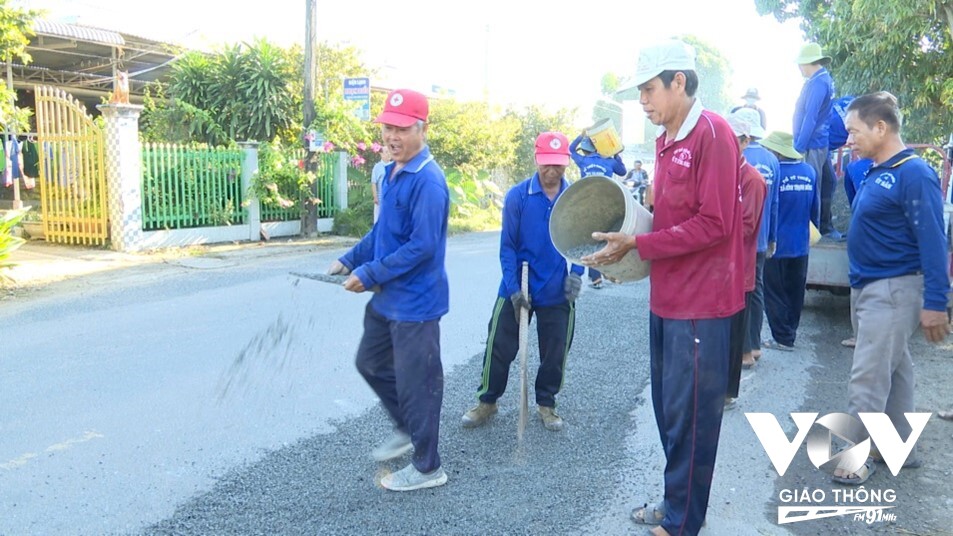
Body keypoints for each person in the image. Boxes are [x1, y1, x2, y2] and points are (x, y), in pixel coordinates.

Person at [584, 39, 744, 536]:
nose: (643, 101)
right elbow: (668, 218)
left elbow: (716, 223)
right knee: (670, 413)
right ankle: (675, 503)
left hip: (702, 304)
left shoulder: (712, 134)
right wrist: (628, 246)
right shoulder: (665, 139)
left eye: (650, 89)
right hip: (668, 298)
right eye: (639, 92)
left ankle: (682, 522)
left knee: (693, 420)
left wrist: (639, 242)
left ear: (680, 82)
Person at [326, 88, 451, 492]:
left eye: (400, 129)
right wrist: (350, 258)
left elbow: (422, 245)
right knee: (370, 362)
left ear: (422, 129)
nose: (392, 136)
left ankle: (428, 467)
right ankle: (406, 424)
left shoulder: (428, 181)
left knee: (420, 383)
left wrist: (372, 271)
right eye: (387, 128)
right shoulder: (395, 170)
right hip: (388, 299)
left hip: (416, 303)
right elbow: (383, 231)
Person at [832, 92, 950, 485]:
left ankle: (855, 459)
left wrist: (937, 302)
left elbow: (934, 241)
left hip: (894, 290)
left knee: (867, 376)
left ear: (880, 127)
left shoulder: (914, 173)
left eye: (853, 130)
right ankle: (900, 449)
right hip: (868, 287)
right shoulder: (873, 169)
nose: (848, 139)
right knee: (895, 368)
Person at [461, 131, 583, 432]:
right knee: (499, 346)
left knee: (556, 350)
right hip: (519, 283)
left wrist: (577, 275)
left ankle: (546, 404)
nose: (552, 171)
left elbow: (583, 244)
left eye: (558, 165)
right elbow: (507, 247)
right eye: (546, 164)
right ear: (536, 159)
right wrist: (514, 291)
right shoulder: (518, 196)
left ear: (566, 163)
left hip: (556, 286)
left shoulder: (574, 199)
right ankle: (487, 402)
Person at [759, 131, 819, 351]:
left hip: (776, 243)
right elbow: (815, 210)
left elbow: (767, 209)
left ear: (776, 152)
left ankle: (782, 338)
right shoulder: (810, 172)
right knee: (795, 290)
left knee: (773, 292)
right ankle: (790, 332)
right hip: (801, 243)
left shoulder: (773, 174)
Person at [725, 110, 766, 395]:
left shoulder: (751, 179)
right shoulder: (721, 173)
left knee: (736, 328)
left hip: (739, 265)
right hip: (718, 266)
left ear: (744, 142)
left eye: (733, 140)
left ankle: (729, 390)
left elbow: (747, 226)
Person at [737, 108, 780, 363]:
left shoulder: (736, 158)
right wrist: (772, 236)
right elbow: (775, 203)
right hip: (762, 237)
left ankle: (742, 352)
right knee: (756, 291)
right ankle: (755, 346)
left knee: (739, 292)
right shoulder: (772, 160)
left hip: (741, 239)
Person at [569, 131, 627, 289]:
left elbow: (570, 149)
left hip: (585, 205)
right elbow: (623, 171)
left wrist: (580, 135)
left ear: (586, 149)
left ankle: (576, 274)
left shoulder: (583, 160)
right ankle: (596, 277)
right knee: (599, 239)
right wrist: (615, 154)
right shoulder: (608, 161)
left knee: (584, 239)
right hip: (605, 206)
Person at [793, 42, 837, 237]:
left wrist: (799, 146)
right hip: (820, 141)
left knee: (812, 184)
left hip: (813, 142)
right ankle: (824, 226)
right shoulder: (820, 80)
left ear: (806, 63)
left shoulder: (819, 83)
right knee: (828, 181)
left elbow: (810, 117)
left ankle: (813, 229)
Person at [369, 146, 392, 223]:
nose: (389, 154)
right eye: (386, 152)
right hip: (380, 198)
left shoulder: (394, 166)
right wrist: (375, 196)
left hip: (391, 198)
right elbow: (373, 182)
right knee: (378, 220)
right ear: (381, 154)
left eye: (390, 152)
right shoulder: (377, 167)